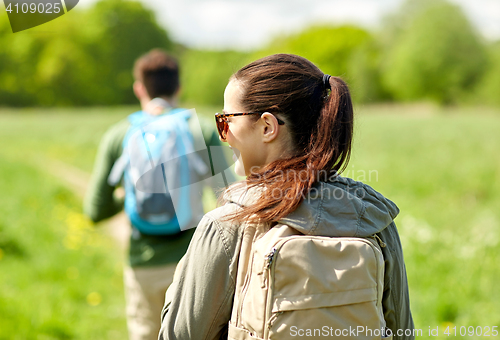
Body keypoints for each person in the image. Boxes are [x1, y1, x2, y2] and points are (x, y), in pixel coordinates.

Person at [159, 54, 414, 340]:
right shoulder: (373, 219)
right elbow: (402, 331)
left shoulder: (227, 225)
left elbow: (179, 335)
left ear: (267, 126)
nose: (224, 136)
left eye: (226, 121)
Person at [84, 49, 233, 340]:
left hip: (143, 264)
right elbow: (229, 198)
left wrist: (130, 194)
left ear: (139, 88)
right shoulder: (200, 127)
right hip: (197, 261)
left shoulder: (120, 134)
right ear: (179, 87)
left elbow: (95, 210)